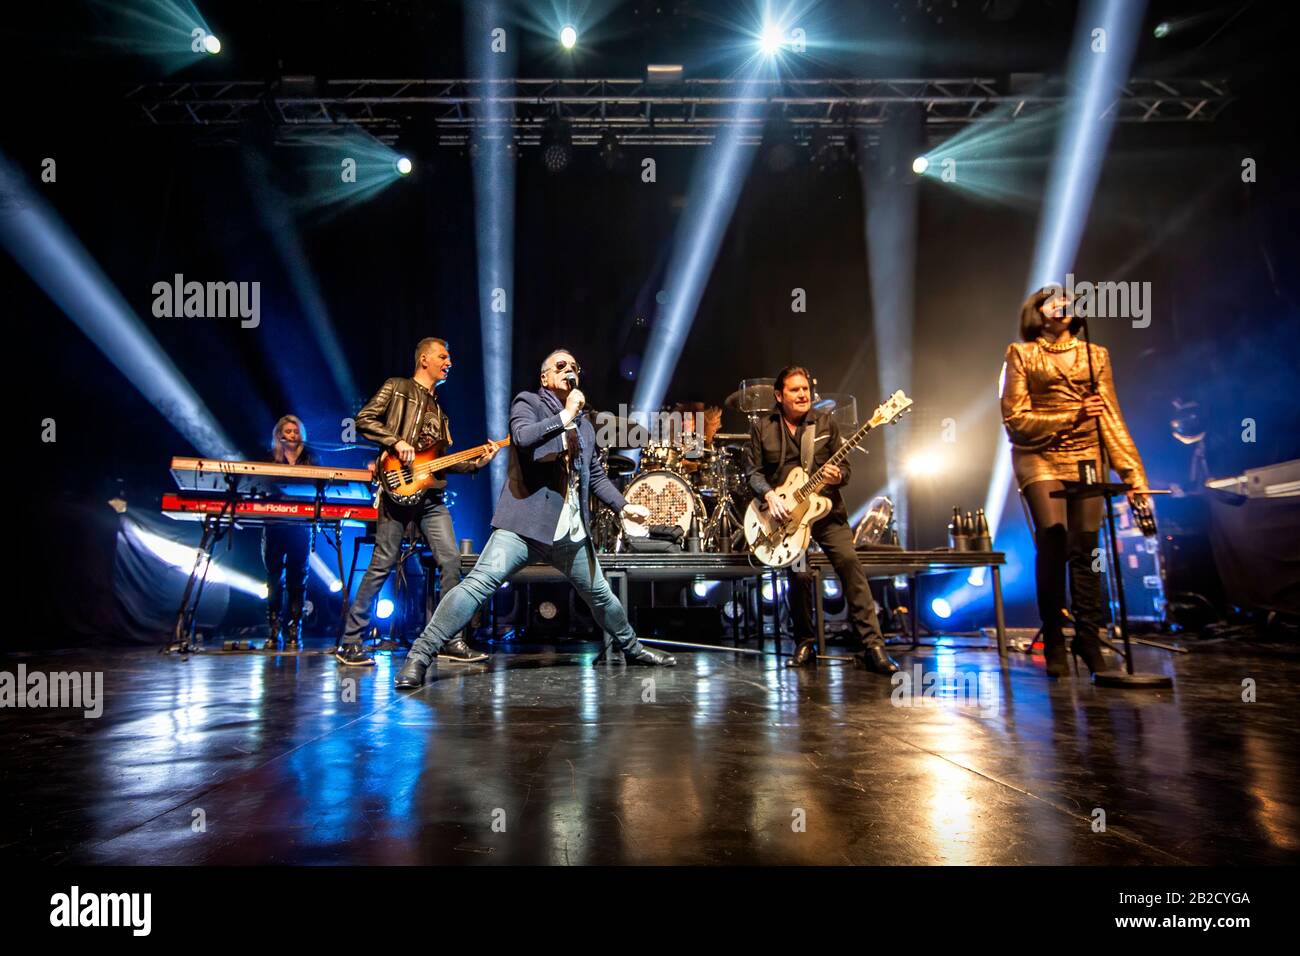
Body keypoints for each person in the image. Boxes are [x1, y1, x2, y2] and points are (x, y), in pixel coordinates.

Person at [393, 348, 676, 688]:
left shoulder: (584, 425)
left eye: (574, 366)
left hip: (570, 533)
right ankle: (419, 656)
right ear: (545, 377)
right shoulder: (528, 403)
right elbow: (525, 439)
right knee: (477, 586)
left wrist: (622, 506)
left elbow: (596, 474)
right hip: (524, 526)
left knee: (601, 595)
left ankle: (632, 649)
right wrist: (565, 416)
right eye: (561, 365)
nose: (569, 370)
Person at [1001, 286, 1150, 678]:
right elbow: (1015, 421)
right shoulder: (1021, 354)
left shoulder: (1095, 355)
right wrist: (1072, 415)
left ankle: (1088, 634)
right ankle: (1053, 636)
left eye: (1068, 300)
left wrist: (1134, 478)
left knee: (1085, 547)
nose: (1063, 305)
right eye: (1053, 300)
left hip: (1086, 455)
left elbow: (1111, 417)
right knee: (1053, 535)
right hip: (1038, 452)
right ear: (1037, 311)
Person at [336, 337, 500, 666]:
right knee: (382, 563)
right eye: (443, 356)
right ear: (424, 359)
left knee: (452, 562)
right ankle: (350, 642)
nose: (449, 362)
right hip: (396, 488)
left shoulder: (440, 411)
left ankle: (448, 638)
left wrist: (476, 463)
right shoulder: (397, 387)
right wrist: (395, 442)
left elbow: (440, 460)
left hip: (430, 496)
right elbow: (364, 418)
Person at [746, 366, 900, 674]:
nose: (803, 394)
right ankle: (806, 642)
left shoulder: (825, 423)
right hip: (787, 516)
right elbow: (752, 472)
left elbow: (846, 471)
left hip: (826, 511)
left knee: (849, 563)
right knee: (799, 574)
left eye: (806, 389)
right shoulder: (762, 427)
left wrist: (838, 474)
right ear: (779, 396)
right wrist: (770, 496)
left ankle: (873, 646)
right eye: (795, 390)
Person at [263, 414, 315, 647]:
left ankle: (295, 630)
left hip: (300, 525)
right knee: (274, 578)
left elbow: (319, 485)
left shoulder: (310, 458)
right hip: (274, 523)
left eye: (295, 432)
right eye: (288, 432)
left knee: (298, 578)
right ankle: (274, 631)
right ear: (279, 434)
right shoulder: (269, 458)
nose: (292, 436)